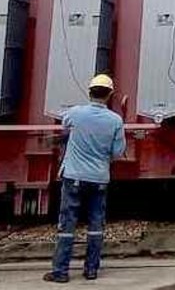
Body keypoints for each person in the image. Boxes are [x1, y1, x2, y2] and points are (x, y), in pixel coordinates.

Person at [46, 74, 126, 284]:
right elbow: (117, 152)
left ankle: (60, 271)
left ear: (89, 92)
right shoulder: (115, 121)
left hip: (73, 177)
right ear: (109, 94)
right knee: (96, 225)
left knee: (67, 225)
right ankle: (91, 269)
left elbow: (65, 126)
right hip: (99, 178)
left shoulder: (75, 113)